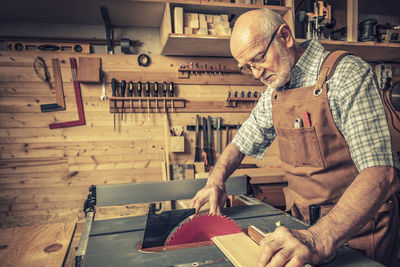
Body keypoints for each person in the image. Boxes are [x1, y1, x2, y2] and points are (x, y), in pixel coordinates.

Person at [190, 8, 400, 267]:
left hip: (356, 233)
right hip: (303, 229)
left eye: (258, 58)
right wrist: (216, 180)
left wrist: (318, 239)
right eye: (248, 67)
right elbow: (243, 139)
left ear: (285, 36)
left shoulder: (345, 73)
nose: (256, 73)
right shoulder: (275, 90)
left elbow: (382, 173)